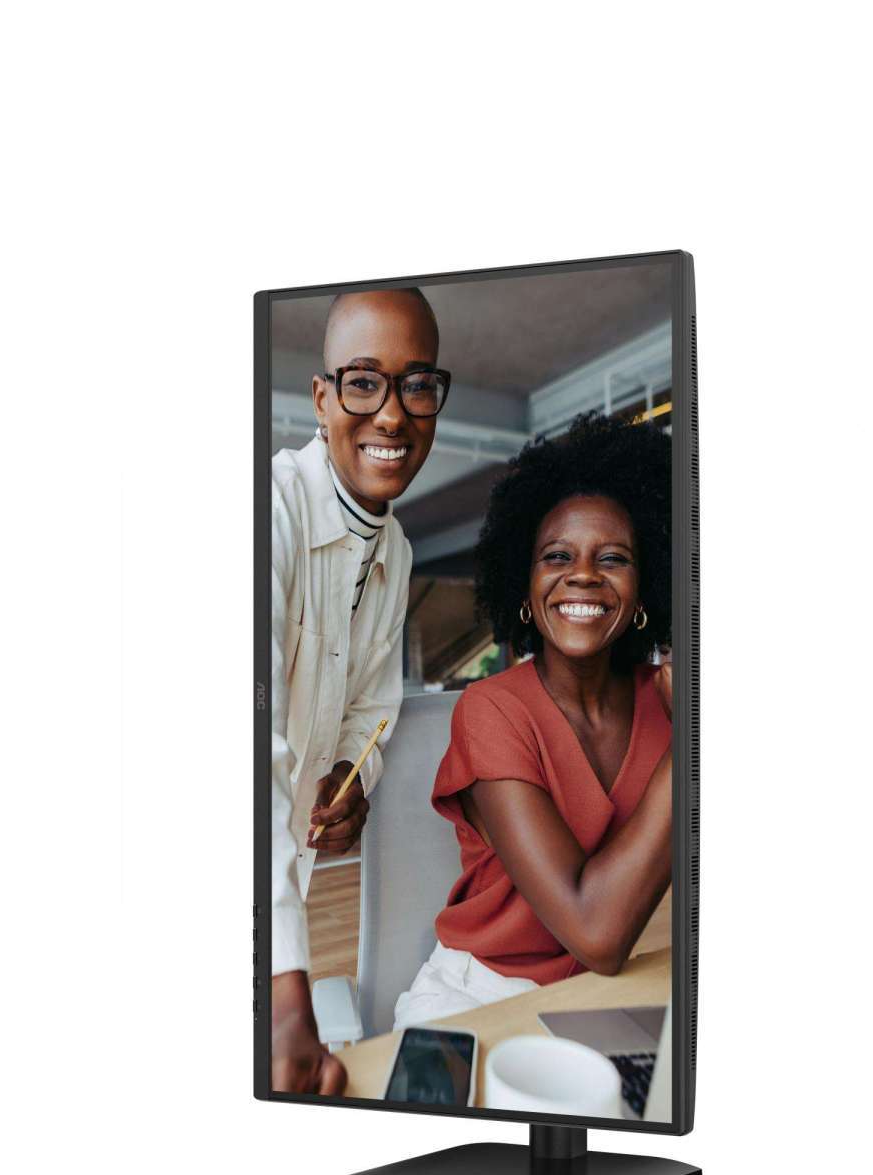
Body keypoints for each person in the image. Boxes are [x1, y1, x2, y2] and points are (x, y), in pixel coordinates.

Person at [393, 411, 673, 1029]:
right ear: (525, 585)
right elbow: (596, 933)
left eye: (614, 558)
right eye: (557, 555)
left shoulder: (666, 702)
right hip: (480, 997)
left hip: (603, 996)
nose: (584, 574)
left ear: (645, 589)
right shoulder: (492, 711)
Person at [271, 288, 451, 1091]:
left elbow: (373, 704)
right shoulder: (267, 511)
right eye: (364, 382)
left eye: (416, 385)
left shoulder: (397, 552)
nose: (392, 414)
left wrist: (351, 771)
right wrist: (287, 995)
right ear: (322, 398)